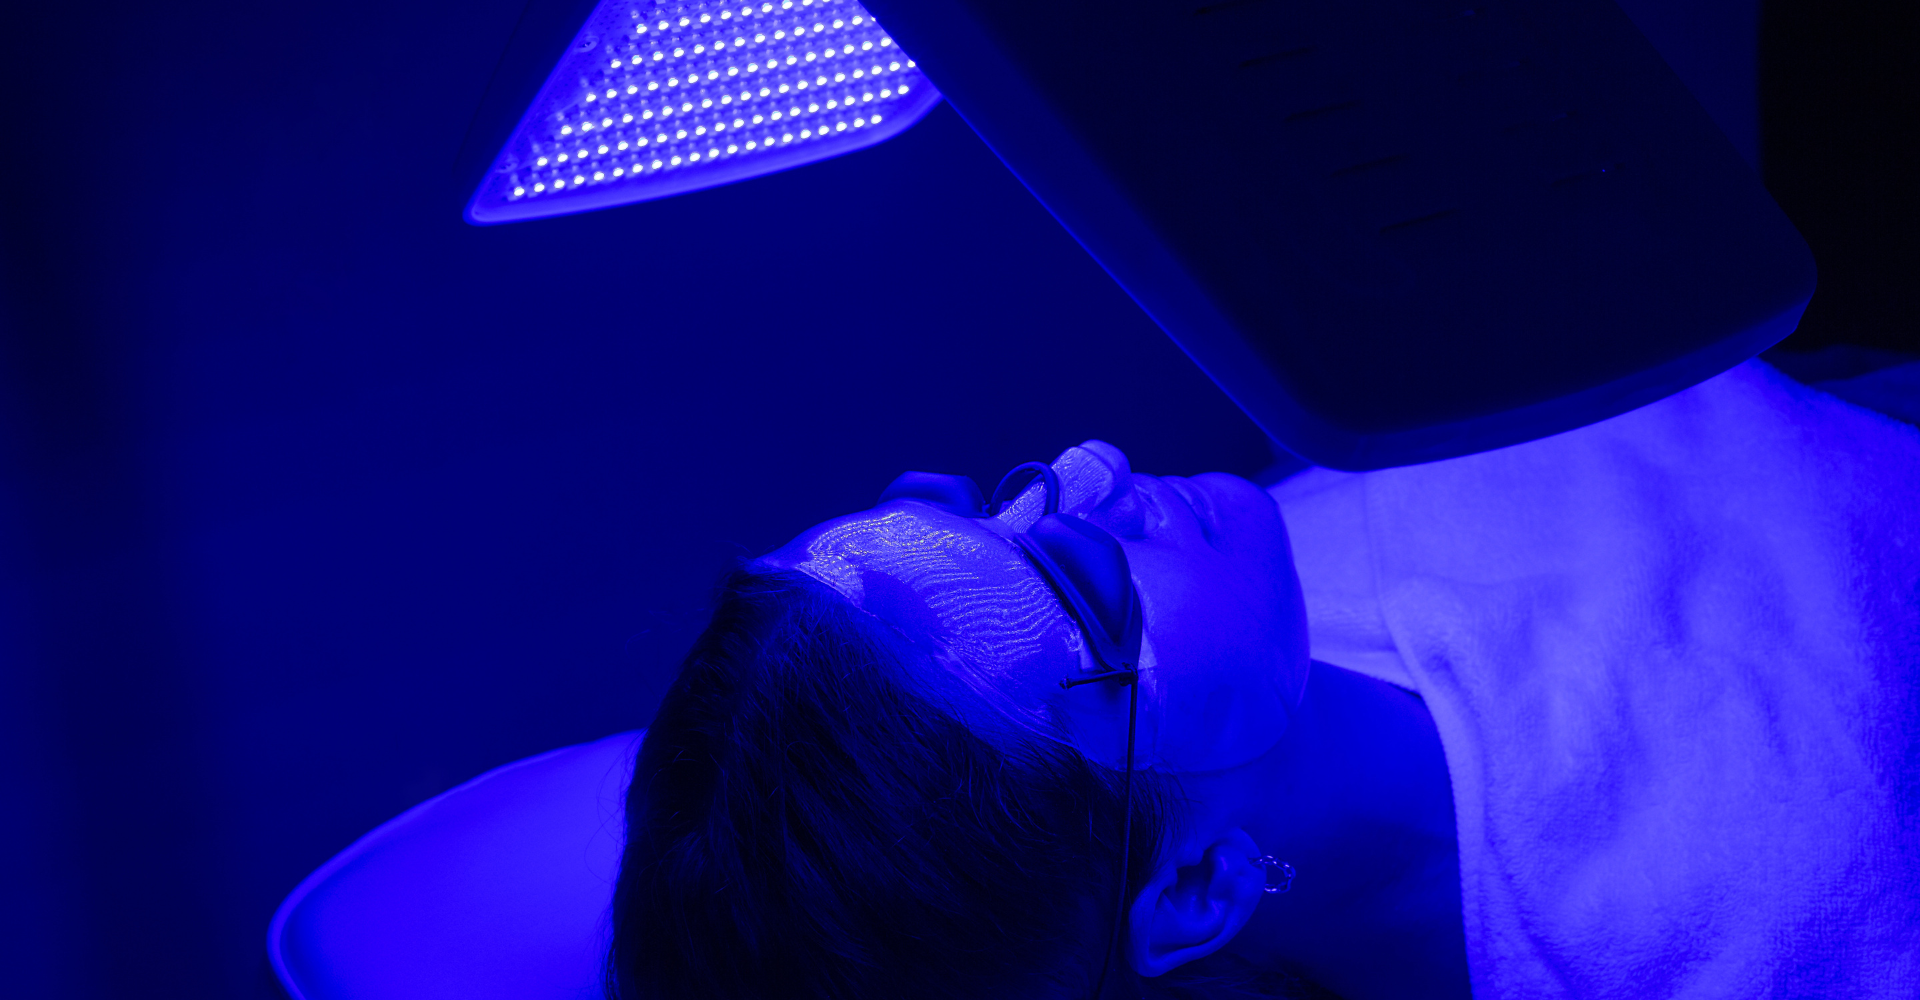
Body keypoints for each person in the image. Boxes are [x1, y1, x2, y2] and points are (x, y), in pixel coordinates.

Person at [608, 358, 1920, 1000]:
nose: (1092, 464)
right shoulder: (1729, 921)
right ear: (1197, 884)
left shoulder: (1309, 521)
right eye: (1080, 583)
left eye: (993, 500)